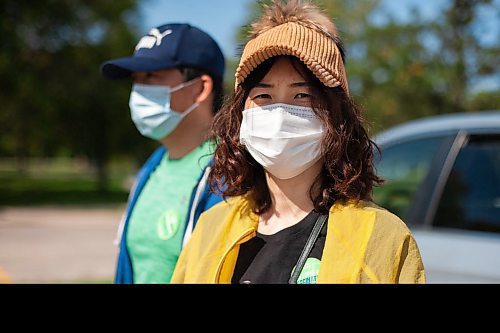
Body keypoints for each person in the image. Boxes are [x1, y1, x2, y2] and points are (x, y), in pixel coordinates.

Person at [171, 0, 426, 284]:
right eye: (263, 96)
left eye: (302, 96)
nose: (279, 113)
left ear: (336, 115)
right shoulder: (210, 228)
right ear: (240, 114)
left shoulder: (384, 237)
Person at [100, 23, 225, 283]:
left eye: (151, 77)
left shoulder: (230, 175)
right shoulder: (153, 167)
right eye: (135, 80)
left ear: (201, 88)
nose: (138, 91)